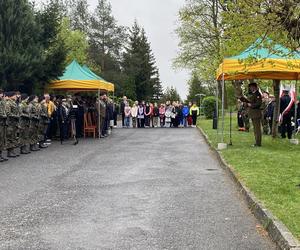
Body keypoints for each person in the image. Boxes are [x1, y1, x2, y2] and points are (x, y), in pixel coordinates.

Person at [243, 82, 263, 147]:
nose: (250, 88)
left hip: (256, 114)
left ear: (255, 87)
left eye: (251, 87)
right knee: (255, 129)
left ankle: (258, 143)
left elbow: (258, 103)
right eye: (250, 87)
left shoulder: (258, 94)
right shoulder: (253, 94)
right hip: (253, 114)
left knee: (257, 129)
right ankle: (256, 142)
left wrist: (251, 105)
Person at [5, 91, 20, 157]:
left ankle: (12, 151)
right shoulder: (8, 103)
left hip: (14, 123)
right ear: (11, 96)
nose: (16, 96)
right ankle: (9, 152)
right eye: (14, 95)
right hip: (10, 123)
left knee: (13, 137)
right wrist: (15, 116)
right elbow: (8, 113)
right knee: (9, 137)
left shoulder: (14, 103)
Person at [0, 89, 8, 162]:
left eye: (2, 94)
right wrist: (3, 115)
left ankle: (1, 155)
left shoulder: (2, 102)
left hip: (2, 123)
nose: (2, 95)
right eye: (1, 94)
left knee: (2, 139)